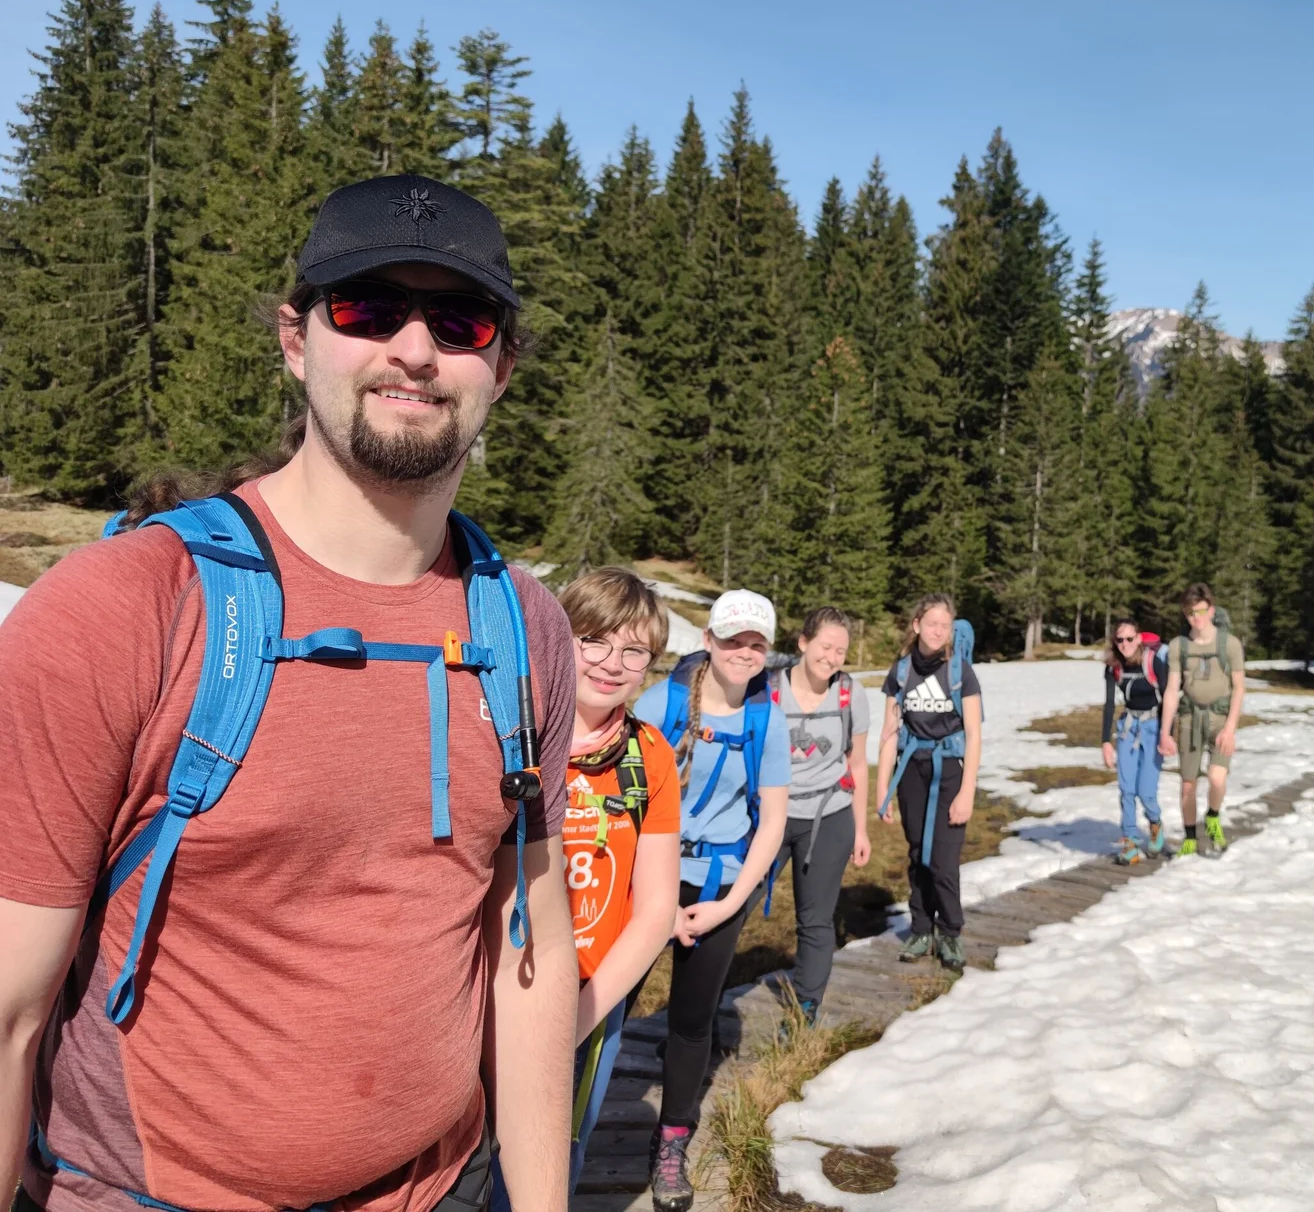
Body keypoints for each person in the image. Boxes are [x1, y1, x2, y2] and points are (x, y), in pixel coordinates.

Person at [0, 174, 578, 1212]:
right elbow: (6, 1009)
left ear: (502, 365)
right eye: (365, 307)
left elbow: (528, 942)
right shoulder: (127, 606)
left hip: (442, 1188)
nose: (413, 350)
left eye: (459, 320)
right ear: (295, 336)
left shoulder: (526, 629)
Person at [632, 591, 790, 1212]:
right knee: (608, 1000)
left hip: (723, 881)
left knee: (692, 1020)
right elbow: (632, 803)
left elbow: (771, 822)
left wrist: (728, 907)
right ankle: (567, 1121)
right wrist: (658, 901)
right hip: (650, 874)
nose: (744, 654)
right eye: (733, 641)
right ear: (708, 641)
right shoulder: (659, 704)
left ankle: (672, 1139)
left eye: (756, 644)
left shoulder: (766, 719)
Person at [545, 568, 681, 1201]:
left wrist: (580, 1018)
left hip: (589, 1001)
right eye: (594, 639)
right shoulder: (510, 731)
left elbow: (656, 909)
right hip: (479, 995)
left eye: (635, 651)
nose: (612, 663)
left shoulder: (648, 754)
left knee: (548, 1169)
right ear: (561, 635)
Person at [769, 607, 872, 1028]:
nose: (832, 658)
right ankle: (698, 1013)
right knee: (730, 911)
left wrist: (861, 829)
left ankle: (805, 1006)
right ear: (803, 643)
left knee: (815, 918)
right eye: (825, 647)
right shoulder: (769, 689)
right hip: (771, 816)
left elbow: (859, 763)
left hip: (830, 817)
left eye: (841, 652)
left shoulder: (850, 693)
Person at [875, 594, 982, 973]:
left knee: (943, 859)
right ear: (917, 625)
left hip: (950, 769)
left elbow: (974, 733)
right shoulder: (901, 672)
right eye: (932, 623)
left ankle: (950, 930)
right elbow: (889, 734)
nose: (938, 631)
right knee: (918, 851)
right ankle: (921, 928)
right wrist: (882, 789)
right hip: (911, 771)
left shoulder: (961, 672)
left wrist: (968, 790)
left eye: (945, 626)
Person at [1157, 583, 1247, 858]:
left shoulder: (1229, 644)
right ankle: (1190, 837)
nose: (1196, 618)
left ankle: (1213, 817)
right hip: (1189, 720)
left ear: (1211, 609)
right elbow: (1172, 689)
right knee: (1188, 784)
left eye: (1200, 611)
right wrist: (1165, 731)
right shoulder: (1177, 646)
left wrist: (1230, 729)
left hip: (1221, 719)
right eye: (1190, 613)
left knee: (1217, 778)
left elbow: (1239, 688)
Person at [1101, 618, 1169, 864]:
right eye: (1119, 640)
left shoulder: (1154, 662)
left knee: (1146, 792)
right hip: (1128, 726)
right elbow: (1109, 704)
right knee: (1126, 788)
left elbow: (1170, 698)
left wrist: (1167, 733)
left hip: (1153, 726)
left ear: (1139, 638)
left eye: (1130, 639)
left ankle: (1155, 823)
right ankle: (1129, 841)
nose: (1124, 644)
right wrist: (1105, 742)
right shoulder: (1113, 666)